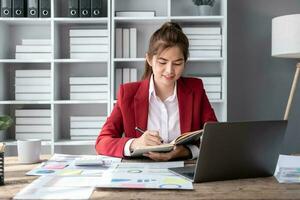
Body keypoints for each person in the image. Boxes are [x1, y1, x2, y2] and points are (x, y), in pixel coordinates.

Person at [95, 22, 217, 161]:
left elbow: (215, 138)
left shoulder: (195, 89)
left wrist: (186, 151)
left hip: (184, 170)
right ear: (149, 59)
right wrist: (135, 143)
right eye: (162, 62)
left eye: (177, 63)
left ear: (185, 62)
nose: (170, 70)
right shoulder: (128, 93)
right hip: (140, 172)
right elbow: (102, 142)